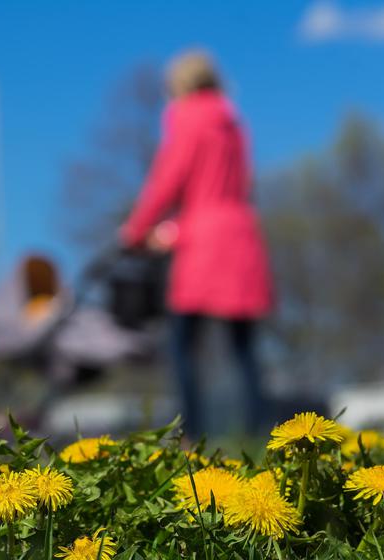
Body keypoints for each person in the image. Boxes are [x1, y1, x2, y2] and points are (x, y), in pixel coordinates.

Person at [120, 50, 273, 437]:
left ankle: (191, 436)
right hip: (242, 234)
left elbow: (167, 181)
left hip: (203, 240)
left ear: (179, 84)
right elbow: (243, 181)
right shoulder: (234, 123)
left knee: (182, 344)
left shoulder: (187, 117)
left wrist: (136, 230)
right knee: (244, 348)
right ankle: (263, 437)